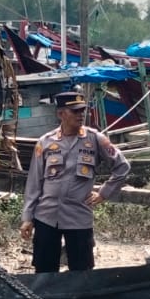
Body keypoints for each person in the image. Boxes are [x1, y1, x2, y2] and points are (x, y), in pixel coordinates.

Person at [20, 90, 130, 273]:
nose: (81, 115)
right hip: (47, 217)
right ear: (61, 114)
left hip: (79, 217)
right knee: (44, 271)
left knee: (82, 272)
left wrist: (104, 193)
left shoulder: (95, 139)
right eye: (75, 111)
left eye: (82, 110)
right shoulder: (45, 142)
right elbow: (34, 183)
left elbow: (122, 167)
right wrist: (27, 218)